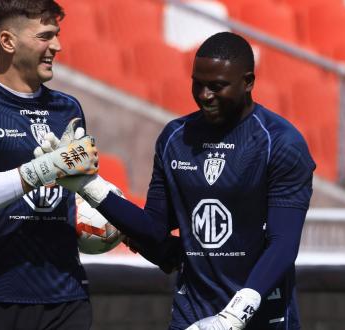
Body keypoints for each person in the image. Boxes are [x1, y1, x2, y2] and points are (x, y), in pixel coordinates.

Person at [53, 32, 315, 329]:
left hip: (261, 318)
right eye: (197, 83)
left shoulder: (281, 143)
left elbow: (283, 244)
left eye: (216, 86)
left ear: (248, 82)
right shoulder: (175, 139)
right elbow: (153, 229)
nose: (204, 95)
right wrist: (88, 185)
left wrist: (233, 316)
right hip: (191, 315)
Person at [0, 1, 100, 329]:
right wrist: (46, 168)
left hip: (66, 300)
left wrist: (98, 220)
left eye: (56, 35)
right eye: (45, 36)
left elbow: (74, 192)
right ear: (8, 42)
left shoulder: (68, 108)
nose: (57, 46)